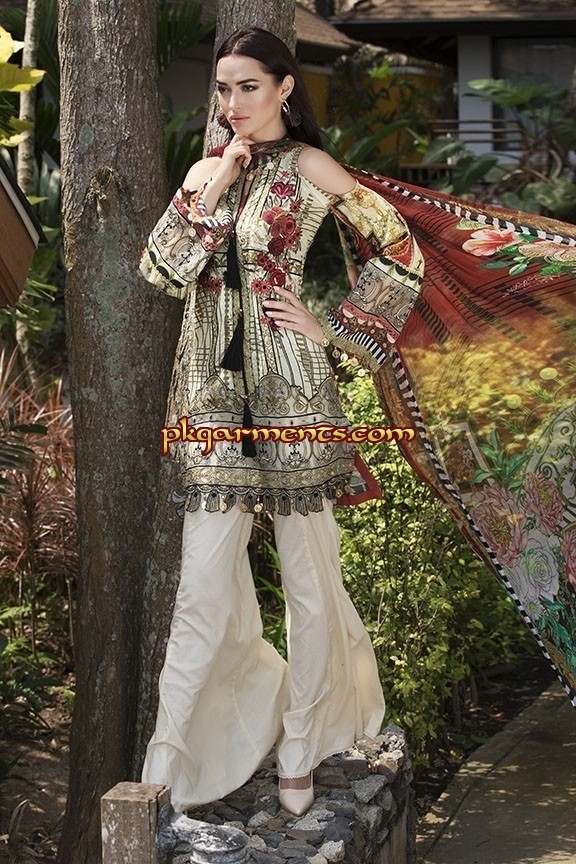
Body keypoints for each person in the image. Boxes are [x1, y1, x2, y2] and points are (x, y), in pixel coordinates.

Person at [139, 26, 424, 817]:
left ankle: (302, 743)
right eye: (223, 89)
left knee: (308, 576)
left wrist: (335, 330)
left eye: (248, 87)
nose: (233, 103)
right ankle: (166, 769)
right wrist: (220, 181)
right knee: (201, 587)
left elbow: (400, 247)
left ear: (284, 88)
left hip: (293, 391)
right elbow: (160, 272)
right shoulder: (205, 172)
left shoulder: (311, 169)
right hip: (210, 399)